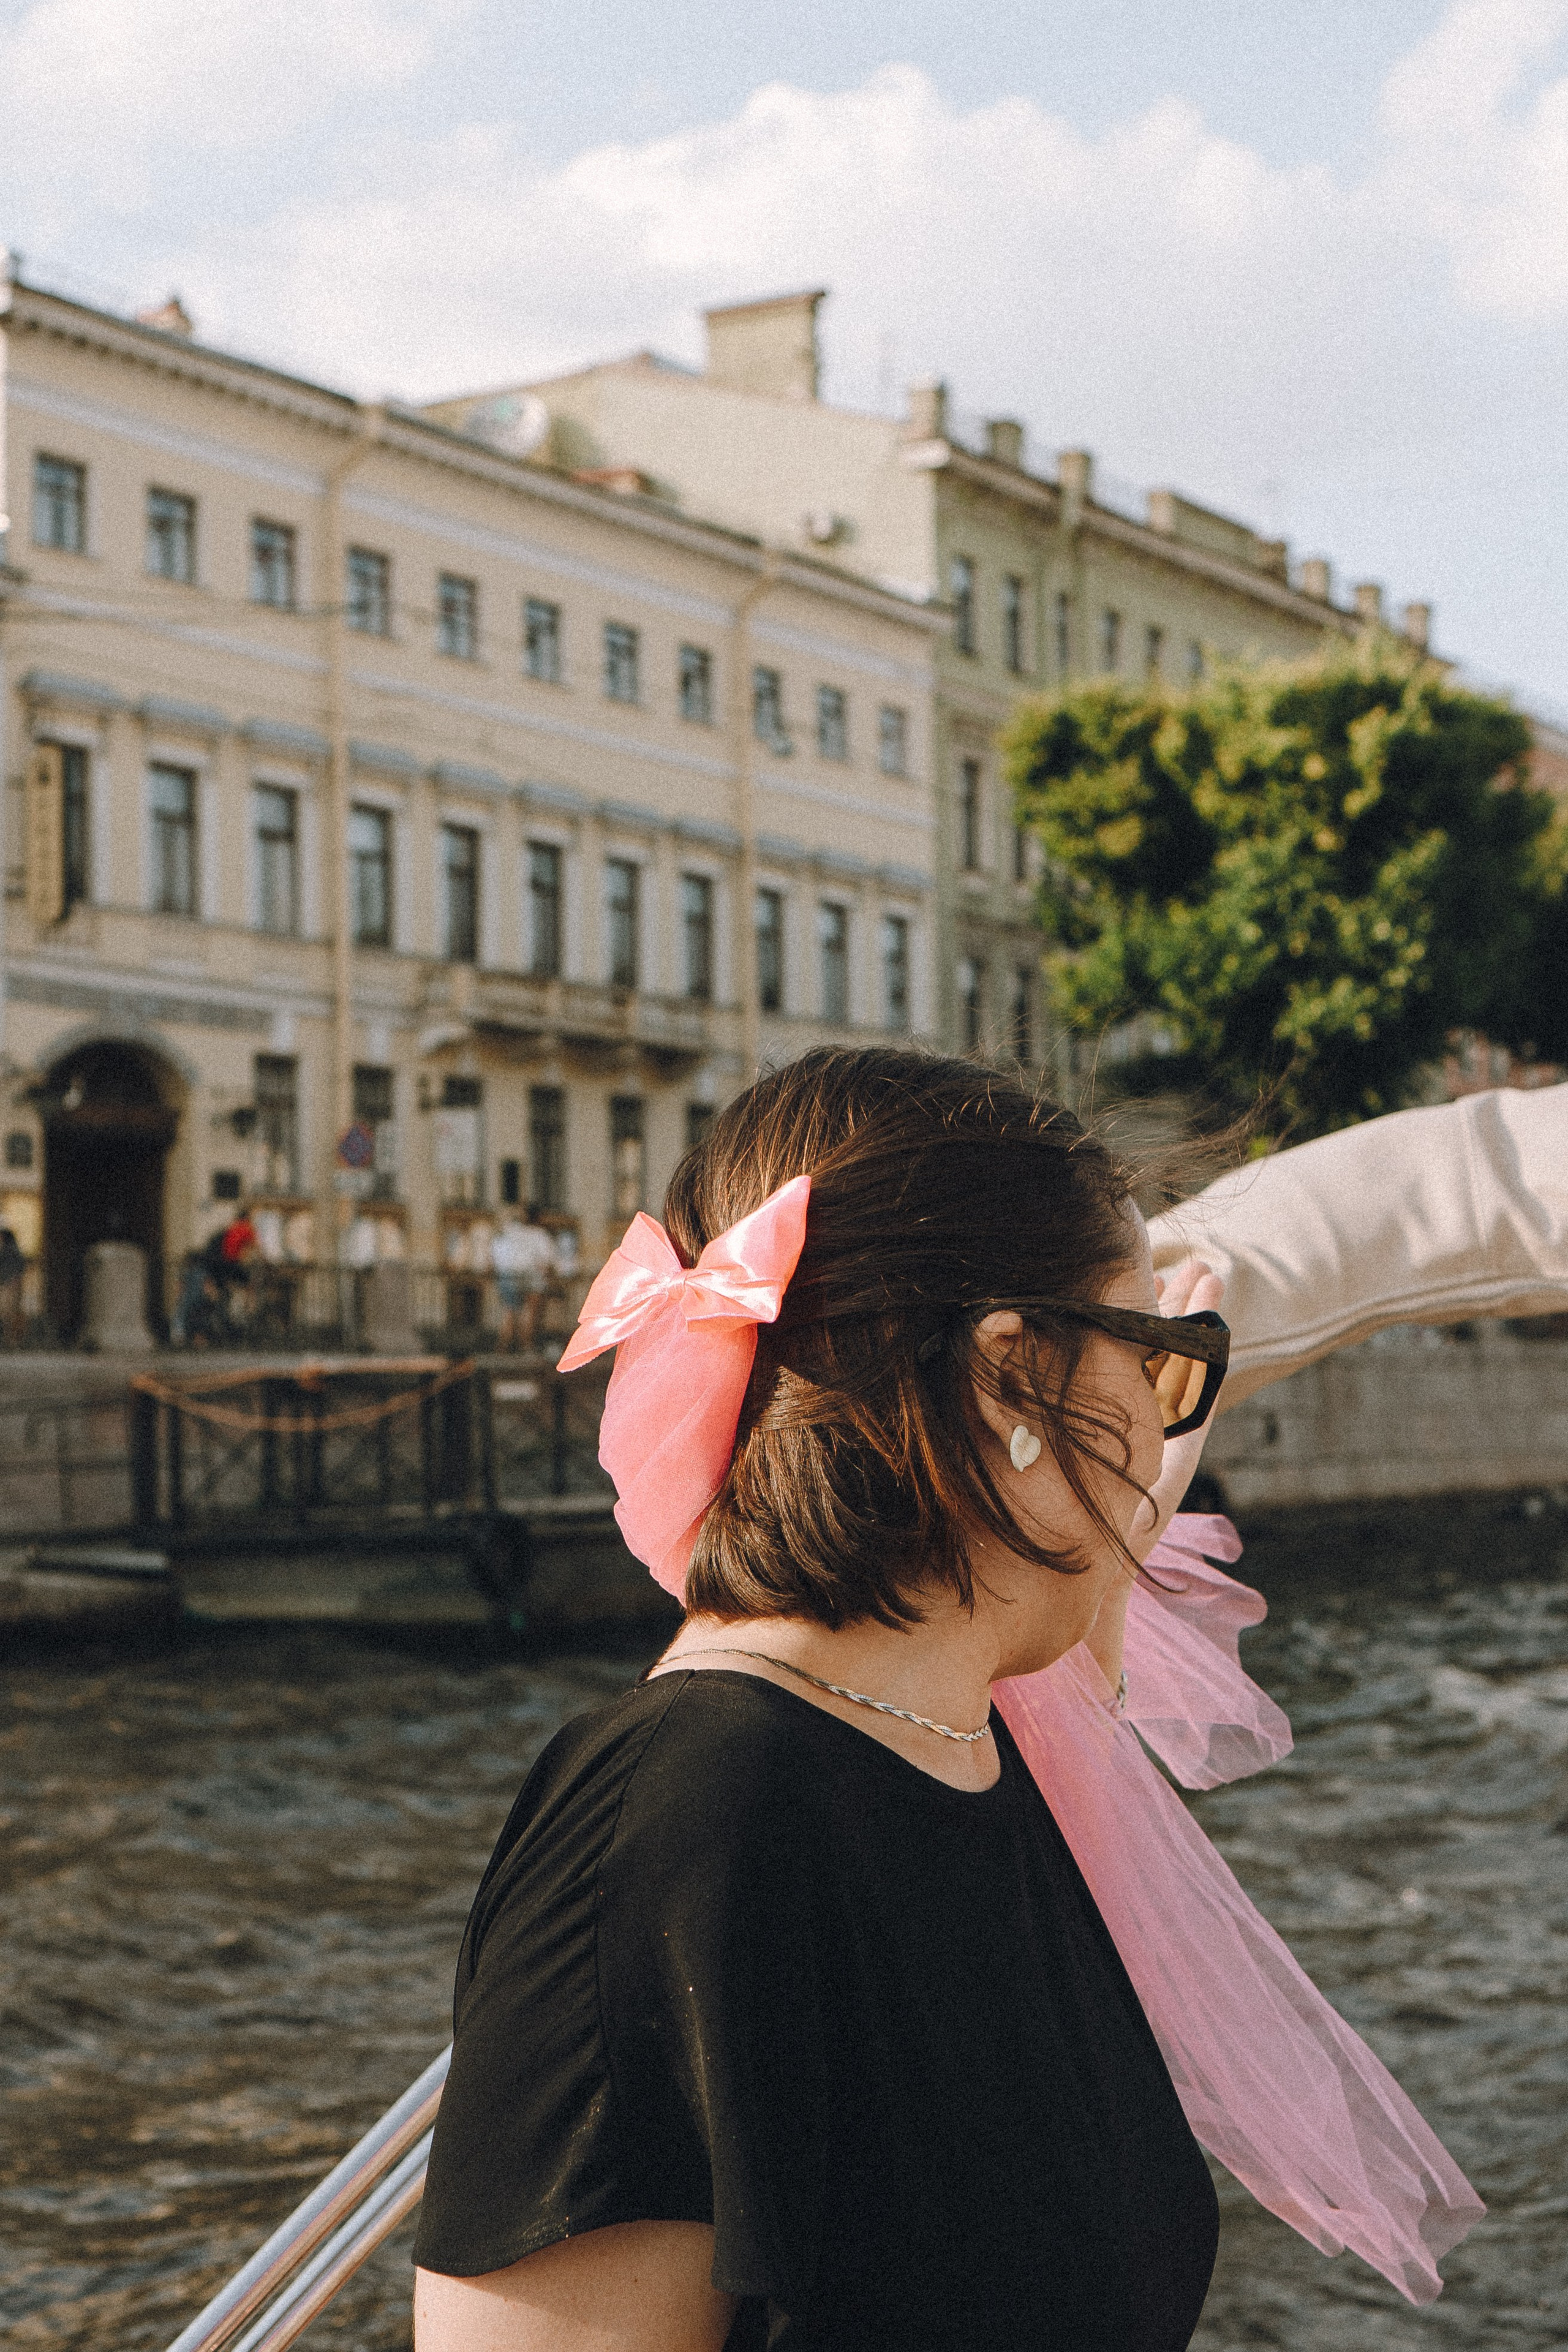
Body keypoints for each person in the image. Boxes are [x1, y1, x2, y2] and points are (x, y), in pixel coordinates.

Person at [412, 1047, 1479, 2352]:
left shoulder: (969, 1742)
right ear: (1009, 1377)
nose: (1161, 1443)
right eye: (1153, 1360)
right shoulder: (674, 1827)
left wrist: (1095, 1490)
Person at [491, 1204, 557, 1352]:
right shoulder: (541, 1235)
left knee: (510, 1311)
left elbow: (497, 1250)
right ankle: (526, 1345)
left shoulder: (511, 1231)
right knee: (531, 1310)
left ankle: (503, 1346)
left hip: (508, 1274)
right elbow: (546, 1262)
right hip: (531, 1274)